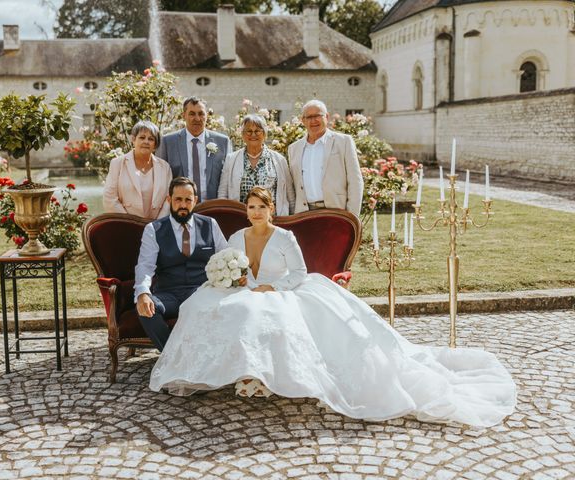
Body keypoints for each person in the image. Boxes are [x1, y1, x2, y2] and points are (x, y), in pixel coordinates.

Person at [149, 187, 517, 427]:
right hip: (248, 290)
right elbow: (234, 267)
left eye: (261, 207)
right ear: (245, 211)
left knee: (264, 313)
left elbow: (299, 272)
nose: (255, 212)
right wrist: (243, 282)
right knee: (216, 308)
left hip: (285, 291)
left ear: (271, 210)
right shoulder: (235, 236)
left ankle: (263, 377)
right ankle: (240, 373)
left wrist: (270, 287)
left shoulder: (285, 236)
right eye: (251, 207)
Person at [134, 177, 228, 351]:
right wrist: (143, 294)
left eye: (188, 200)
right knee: (146, 310)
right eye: (178, 199)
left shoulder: (210, 225)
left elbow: (226, 258)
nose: (183, 205)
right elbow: (145, 267)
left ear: (195, 201)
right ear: (169, 200)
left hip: (200, 292)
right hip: (167, 295)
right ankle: (172, 355)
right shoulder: (153, 229)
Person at [288, 100, 364, 215]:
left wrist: (351, 216)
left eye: (317, 115)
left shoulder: (343, 142)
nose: (313, 120)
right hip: (304, 214)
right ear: (303, 120)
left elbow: (355, 181)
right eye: (308, 117)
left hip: (337, 211)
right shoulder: (294, 148)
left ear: (327, 117)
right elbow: (292, 186)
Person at [157, 97, 232, 202]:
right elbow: (160, 179)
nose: (197, 118)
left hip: (213, 206)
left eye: (201, 114)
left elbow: (228, 179)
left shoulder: (223, 142)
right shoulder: (168, 142)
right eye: (192, 114)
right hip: (181, 207)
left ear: (207, 116)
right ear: (184, 116)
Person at [218, 114, 295, 215]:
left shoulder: (279, 160)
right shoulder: (231, 159)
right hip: (240, 221)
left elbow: (291, 196)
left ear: (264, 134)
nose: (253, 135)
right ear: (243, 135)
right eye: (249, 131)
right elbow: (223, 194)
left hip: (273, 221)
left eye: (257, 131)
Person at [103, 120, 172, 220]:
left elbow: (168, 199)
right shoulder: (117, 164)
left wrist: (157, 225)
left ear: (155, 144)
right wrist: (131, 223)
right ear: (133, 139)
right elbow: (109, 199)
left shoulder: (165, 167)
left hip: (156, 227)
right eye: (142, 137)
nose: (146, 142)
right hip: (125, 226)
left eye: (151, 139)